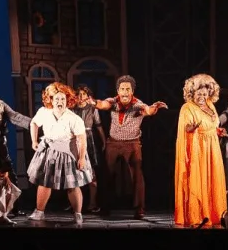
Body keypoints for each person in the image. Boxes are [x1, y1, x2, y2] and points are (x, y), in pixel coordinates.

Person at [93, 75, 168, 219]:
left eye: (128, 89)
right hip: (113, 143)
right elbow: (103, 104)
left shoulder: (137, 104)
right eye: (122, 89)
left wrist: (154, 108)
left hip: (132, 144)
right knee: (107, 174)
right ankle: (105, 207)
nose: (125, 92)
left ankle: (139, 208)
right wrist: (93, 102)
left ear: (132, 91)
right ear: (118, 91)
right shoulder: (113, 101)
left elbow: (148, 110)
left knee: (137, 176)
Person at [27, 82, 94, 224]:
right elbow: (34, 123)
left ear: (67, 100)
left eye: (63, 99)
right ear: (51, 100)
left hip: (68, 153)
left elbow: (82, 139)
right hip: (49, 152)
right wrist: (34, 141)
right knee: (44, 183)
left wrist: (81, 158)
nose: (60, 101)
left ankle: (77, 214)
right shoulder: (44, 112)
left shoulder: (74, 118)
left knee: (72, 185)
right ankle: (39, 212)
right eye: (57, 98)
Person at [173, 74, 228, 228]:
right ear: (192, 93)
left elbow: (212, 125)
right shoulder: (187, 108)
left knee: (213, 180)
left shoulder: (210, 104)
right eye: (199, 94)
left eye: (204, 94)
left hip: (213, 148)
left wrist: (218, 131)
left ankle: (214, 214)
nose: (202, 97)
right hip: (199, 150)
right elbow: (186, 128)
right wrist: (193, 127)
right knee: (200, 180)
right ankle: (198, 215)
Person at [73, 84, 107, 213]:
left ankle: (92, 203)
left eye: (83, 94)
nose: (81, 97)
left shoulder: (92, 108)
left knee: (91, 172)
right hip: (75, 140)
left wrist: (104, 141)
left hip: (88, 140)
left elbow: (98, 125)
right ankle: (75, 203)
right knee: (74, 172)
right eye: (79, 94)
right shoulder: (72, 109)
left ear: (88, 96)